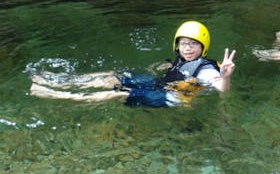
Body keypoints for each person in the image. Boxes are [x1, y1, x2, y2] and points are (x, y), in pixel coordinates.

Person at [30, 21, 236, 107]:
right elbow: (175, 70)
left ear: (203, 47)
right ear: (177, 45)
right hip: (162, 84)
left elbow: (220, 88)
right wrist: (160, 68)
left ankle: (57, 94)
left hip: (174, 98)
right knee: (114, 76)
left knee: (118, 93)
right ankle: (60, 81)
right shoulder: (182, 60)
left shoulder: (206, 69)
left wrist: (225, 77)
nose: (188, 48)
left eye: (193, 44)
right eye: (183, 44)